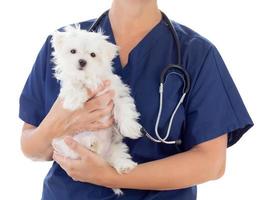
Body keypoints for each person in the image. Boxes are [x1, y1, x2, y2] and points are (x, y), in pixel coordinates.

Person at [19, 0, 254, 199]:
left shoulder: (197, 54)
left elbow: (212, 163)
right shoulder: (64, 44)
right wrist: (58, 121)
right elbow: (30, 147)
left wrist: (108, 176)